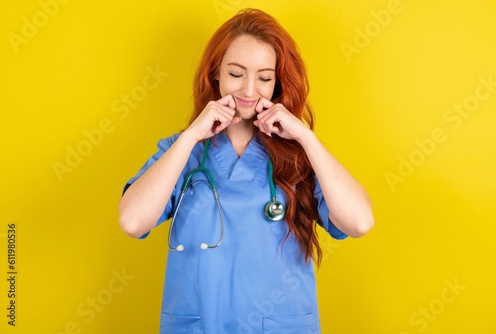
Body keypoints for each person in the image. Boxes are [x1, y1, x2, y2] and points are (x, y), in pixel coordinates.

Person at [118, 8, 374, 333]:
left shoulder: (299, 156)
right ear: (216, 74)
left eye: (264, 78)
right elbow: (131, 221)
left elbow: (360, 222)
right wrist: (191, 136)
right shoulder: (183, 150)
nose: (249, 90)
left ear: (278, 82)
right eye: (236, 74)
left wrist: (306, 138)